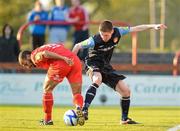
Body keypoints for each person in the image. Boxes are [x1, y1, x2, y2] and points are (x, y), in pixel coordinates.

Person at [72, 20, 167, 124]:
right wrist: (71, 61)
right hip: (93, 62)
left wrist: (153, 26)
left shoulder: (119, 32)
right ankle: (84, 109)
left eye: (106, 35)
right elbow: (77, 46)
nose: (104, 37)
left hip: (105, 66)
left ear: (112, 31)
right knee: (97, 79)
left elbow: (137, 28)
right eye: (102, 35)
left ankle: (124, 119)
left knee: (126, 91)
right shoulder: (94, 40)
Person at [18, 44, 85, 126]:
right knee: (77, 93)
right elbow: (61, 46)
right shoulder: (45, 46)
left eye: (25, 64)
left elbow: (45, 53)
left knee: (47, 89)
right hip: (74, 60)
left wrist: (63, 58)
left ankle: (47, 120)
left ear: (28, 56)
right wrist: (67, 57)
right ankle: (78, 107)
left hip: (62, 62)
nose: (27, 67)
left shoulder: (34, 56)